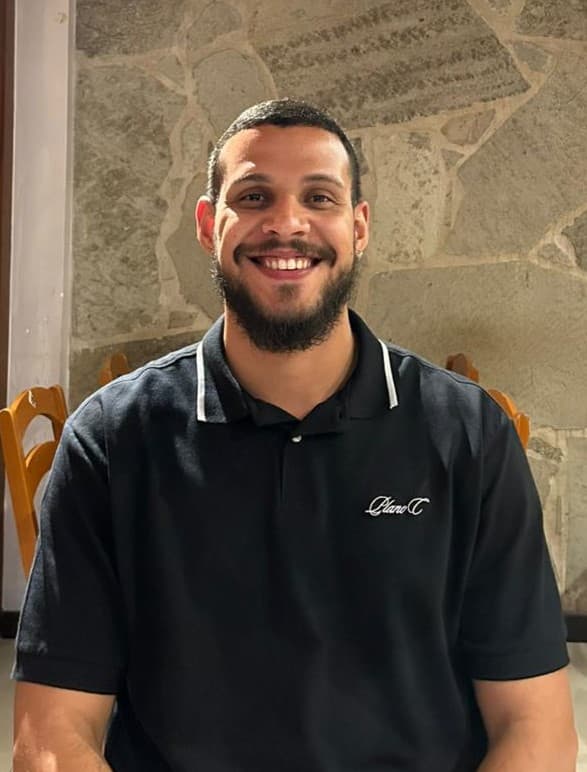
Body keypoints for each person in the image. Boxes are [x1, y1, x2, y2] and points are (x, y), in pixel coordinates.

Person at [12, 99, 577, 771]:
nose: (285, 223)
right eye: (253, 196)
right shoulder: (109, 441)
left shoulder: (469, 436)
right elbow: (51, 736)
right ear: (206, 224)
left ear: (358, 227)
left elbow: (535, 728)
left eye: (319, 197)